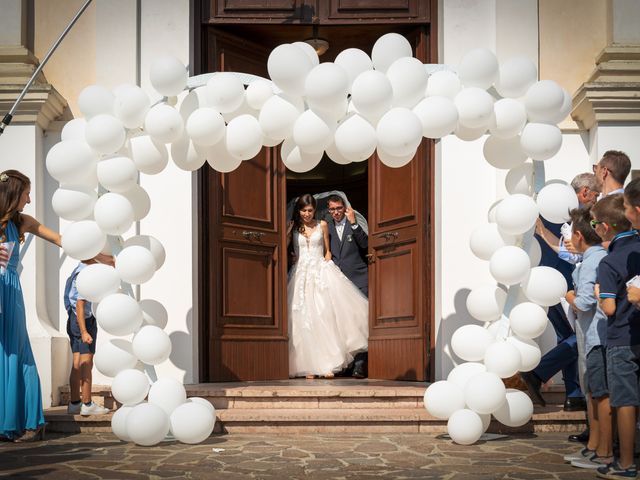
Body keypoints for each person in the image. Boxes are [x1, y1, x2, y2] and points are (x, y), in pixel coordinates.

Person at [0, 170, 110, 442]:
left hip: (9, 295)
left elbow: (65, 242)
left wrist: (102, 259)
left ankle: (28, 422)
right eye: (26, 192)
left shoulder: (23, 221)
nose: (29, 198)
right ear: (14, 193)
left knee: (17, 354)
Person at [287, 194, 368, 379]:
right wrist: (286, 233)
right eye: (304, 211)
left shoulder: (323, 225)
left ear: (315, 210)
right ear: (299, 211)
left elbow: (328, 250)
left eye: (310, 210)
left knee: (324, 316)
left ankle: (327, 364)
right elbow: (290, 250)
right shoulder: (294, 228)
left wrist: (328, 268)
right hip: (300, 274)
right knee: (302, 320)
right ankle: (308, 366)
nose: (307, 214)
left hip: (320, 272)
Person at [592, 192, 639, 479]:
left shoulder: (608, 262)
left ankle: (625, 464)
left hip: (622, 336)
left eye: (595, 222)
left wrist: (599, 294)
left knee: (624, 401)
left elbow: (609, 308)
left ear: (605, 227)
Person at [561, 208, 612, 470]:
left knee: (598, 392)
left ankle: (603, 449)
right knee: (591, 390)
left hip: (596, 336)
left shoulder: (594, 260)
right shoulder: (589, 258)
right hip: (588, 336)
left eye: (571, 234)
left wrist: (569, 296)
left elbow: (584, 301)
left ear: (580, 235)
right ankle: (594, 444)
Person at [326, 194, 369, 378]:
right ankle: (346, 364)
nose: (336, 212)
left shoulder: (354, 224)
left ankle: (360, 365)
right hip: (338, 282)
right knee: (342, 324)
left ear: (345, 208)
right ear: (329, 210)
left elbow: (366, 244)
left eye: (339, 208)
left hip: (358, 278)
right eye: (332, 209)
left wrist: (353, 224)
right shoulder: (325, 228)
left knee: (359, 322)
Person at [64, 260, 110, 416]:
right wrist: (84, 331)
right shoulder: (86, 274)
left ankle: (75, 403)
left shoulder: (78, 269)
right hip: (83, 320)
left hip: (74, 319)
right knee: (86, 362)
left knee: (77, 361)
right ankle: (87, 403)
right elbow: (80, 304)